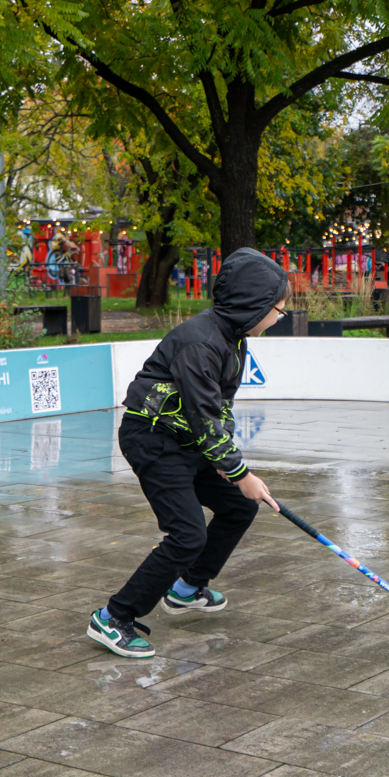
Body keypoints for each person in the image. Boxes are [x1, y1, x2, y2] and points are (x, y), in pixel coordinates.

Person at [88, 248, 288, 658]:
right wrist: (240, 472)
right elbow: (203, 416)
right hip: (154, 439)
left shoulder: (233, 339)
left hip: (187, 439)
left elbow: (220, 408)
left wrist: (226, 465)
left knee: (239, 507)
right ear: (255, 305)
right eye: (278, 309)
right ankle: (113, 617)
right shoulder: (201, 342)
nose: (280, 316)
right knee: (187, 535)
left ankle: (186, 588)